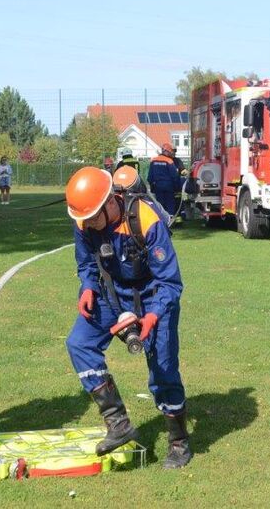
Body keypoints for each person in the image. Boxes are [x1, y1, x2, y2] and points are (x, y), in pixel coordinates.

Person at [65, 166, 192, 469]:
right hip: (111, 295)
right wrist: (87, 287)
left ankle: (179, 442)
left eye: (95, 217)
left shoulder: (146, 219)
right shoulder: (84, 219)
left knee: (162, 371)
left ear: (111, 201)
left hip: (153, 297)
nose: (91, 225)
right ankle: (117, 423)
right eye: (86, 219)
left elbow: (171, 283)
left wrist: (152, 316)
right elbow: (86, 264)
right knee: (79, 343)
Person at [147, 143, 182, 216]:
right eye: (170, 152)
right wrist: (177, 187)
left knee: (160, 204)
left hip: (157, 186)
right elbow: (174, 176)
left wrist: (152, 186)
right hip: (169, 186)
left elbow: (150, 176)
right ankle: (170, 219)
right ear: (167, 151)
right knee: (170, 203)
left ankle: (162, 220)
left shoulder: (153, 160)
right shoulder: (169, 161)